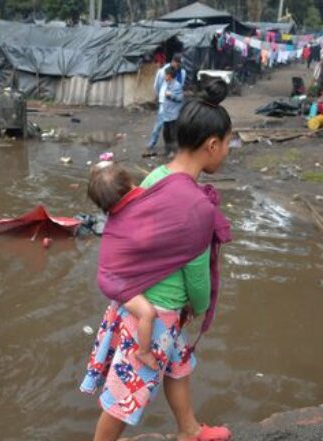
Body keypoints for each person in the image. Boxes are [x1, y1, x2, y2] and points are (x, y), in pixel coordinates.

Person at [81, 78, 233, 441]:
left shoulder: (156, 178)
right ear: (211, 145)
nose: (229, 150)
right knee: (125, 395)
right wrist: (199, 306)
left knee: (178, 369)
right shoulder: (195, 206)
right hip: (157, 313)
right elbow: (197, 276)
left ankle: (189, 430)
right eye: (228, 144)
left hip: (139, 301)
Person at [87, 162, 160, 370]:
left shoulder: (118, 213)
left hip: (111, 275)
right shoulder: (132, 211)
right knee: (147, 313)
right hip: (115, 282)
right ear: (129, 184)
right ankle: (143, 352)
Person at [145, 55, 186, 157]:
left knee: (172, 130)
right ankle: (157, 144)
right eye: (178, 63)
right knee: (163, 127)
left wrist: (171, 95)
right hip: (165, 103)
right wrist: (162, 97)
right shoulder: (164, 71)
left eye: (180, 64)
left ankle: (173, 150)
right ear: (173, 62)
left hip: (174, 108)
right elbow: (157, 85)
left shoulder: (181, 74)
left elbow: (180, 94)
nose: (180, 66)